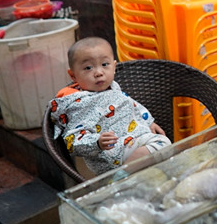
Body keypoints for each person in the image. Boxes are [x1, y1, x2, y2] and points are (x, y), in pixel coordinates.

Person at [48, 37, 171, 176]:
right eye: (88, 68)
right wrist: (97, 142)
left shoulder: (113, 88)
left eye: (105, 64)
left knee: (163, 152)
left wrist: (149, 121)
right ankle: (121, 176)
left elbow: (131, 104)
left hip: (135, 140)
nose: (99, 72)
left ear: (114, 67)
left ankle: (131, 174)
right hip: (113, 154)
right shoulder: (78, 104)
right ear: (73, 75)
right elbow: (73, 140)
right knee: (162, 144)